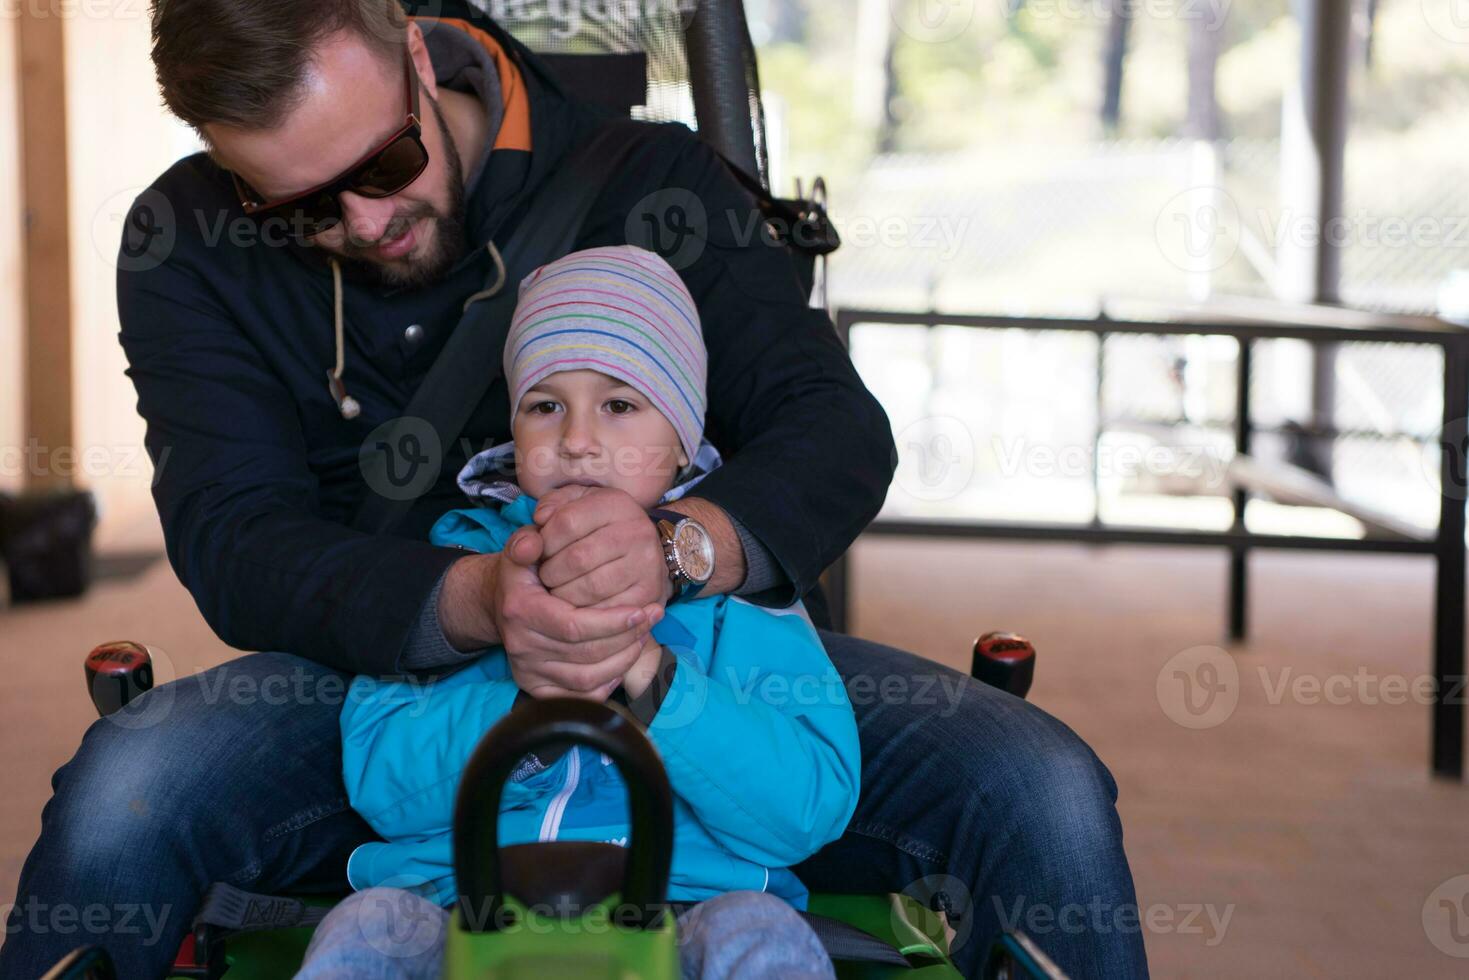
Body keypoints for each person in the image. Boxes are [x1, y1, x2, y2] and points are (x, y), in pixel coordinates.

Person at [0, 3, 1149, 978]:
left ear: (411, 47)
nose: (360, 223)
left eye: (384, 165)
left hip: (703, 639)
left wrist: (674, 551)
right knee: (124, 792)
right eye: (296, 207)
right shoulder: (187, 238)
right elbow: (234, 534)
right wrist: (477, 599)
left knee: (1038, 786)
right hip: (376, 671)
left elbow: (833, 429)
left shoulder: (654, 181)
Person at [294, 244, 858, 980]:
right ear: (514, 429)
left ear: (684, 439)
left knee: (762, 936)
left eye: (620, 405)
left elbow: (805, 807)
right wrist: (534, 701)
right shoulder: (454, 571)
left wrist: (654, 680)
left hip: (686, 901)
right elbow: (384, 789)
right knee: (368, 926)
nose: (579, 439)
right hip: (461, 900)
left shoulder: (744, 597)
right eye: (545, 404)